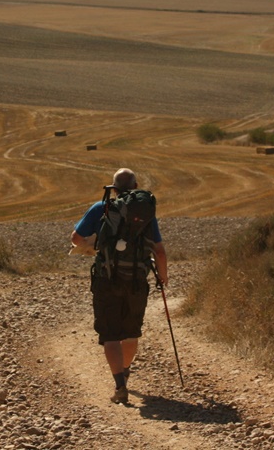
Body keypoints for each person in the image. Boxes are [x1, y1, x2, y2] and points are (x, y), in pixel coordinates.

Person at [70, 168, 168, 405]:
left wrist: (94, 246)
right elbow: (160, 251)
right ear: (135, 187)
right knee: (131, 333)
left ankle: (119, 385)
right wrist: (162, 278)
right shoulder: (146, 214)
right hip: (136, 281)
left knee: (110, 335)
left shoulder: (101, 208)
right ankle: (125, 369)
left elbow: (75, 238)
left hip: (106, 279)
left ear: (113, 189)